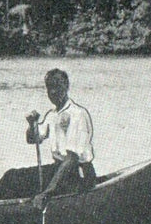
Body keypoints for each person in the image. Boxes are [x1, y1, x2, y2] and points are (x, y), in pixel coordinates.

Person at [25, 69, 97, 209]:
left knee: (39, 190)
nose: (52, 92)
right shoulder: (52, 115)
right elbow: (33, 139)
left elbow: (72, 159)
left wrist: (47, 193)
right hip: (60, 169)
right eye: (49, 87)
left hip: (78, 173)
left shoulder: (77, 114)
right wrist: (31, 124)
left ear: (66, 86)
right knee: (12, 177)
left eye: (57, 86)